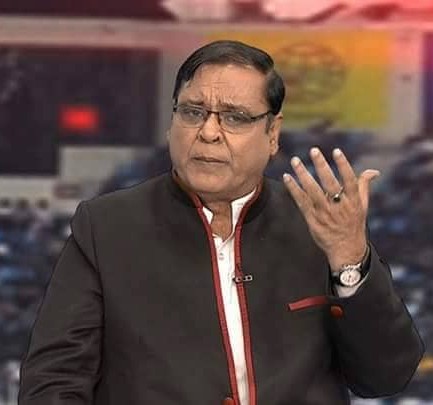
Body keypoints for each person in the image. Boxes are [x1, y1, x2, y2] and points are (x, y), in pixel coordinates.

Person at [18, 40, 424, 405]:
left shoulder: (318, 225)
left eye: (235, 117)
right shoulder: (107, 227)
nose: (208, 132)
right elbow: (53, 382)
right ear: (172, 122)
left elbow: (386, 376)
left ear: (272, 134)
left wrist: (349, 260)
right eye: (193, 112)